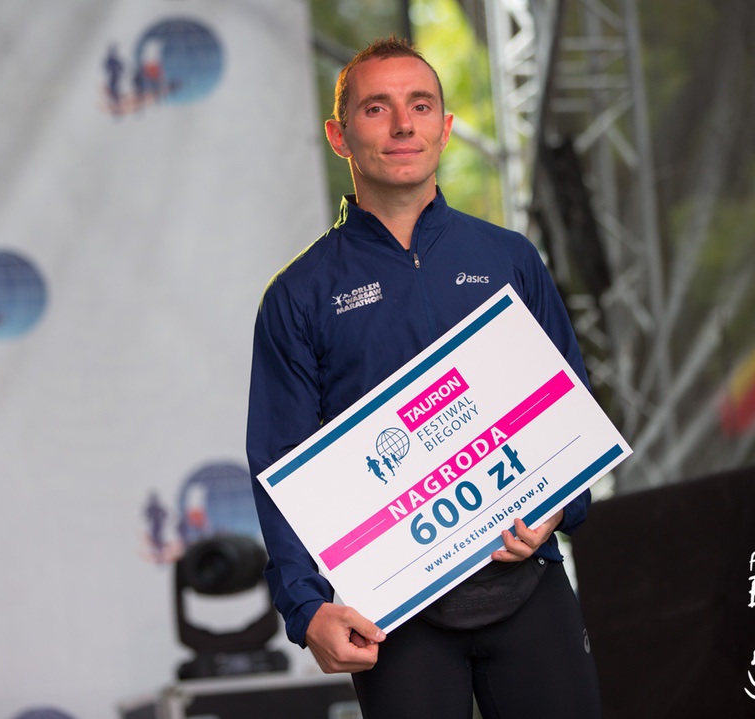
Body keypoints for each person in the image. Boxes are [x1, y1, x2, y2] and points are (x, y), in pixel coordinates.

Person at [246, 36, 600, 718]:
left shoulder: (509, 259)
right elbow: (278, 462)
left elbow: (572, 411)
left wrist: (560, 503)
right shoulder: (299, 295)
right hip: (393, 613)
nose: (403, 125)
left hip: (528, 583)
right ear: (339, 135)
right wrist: (305, 605)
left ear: (445, 125)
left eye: (421, 105)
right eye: (377, 108)